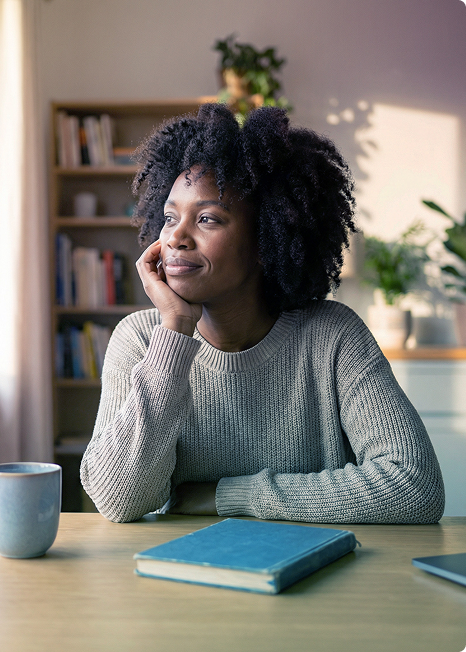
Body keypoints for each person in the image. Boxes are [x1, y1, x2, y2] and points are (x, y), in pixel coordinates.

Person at [80, 103, 445, 524]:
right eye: (169, 217)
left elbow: (414, 486)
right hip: (179, 575)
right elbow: (117, 501)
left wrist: (232, 495)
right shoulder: (141, 340)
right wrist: (176, 331)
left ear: (266, 239)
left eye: (207, 219)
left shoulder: (333, 338)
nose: (176, 236)